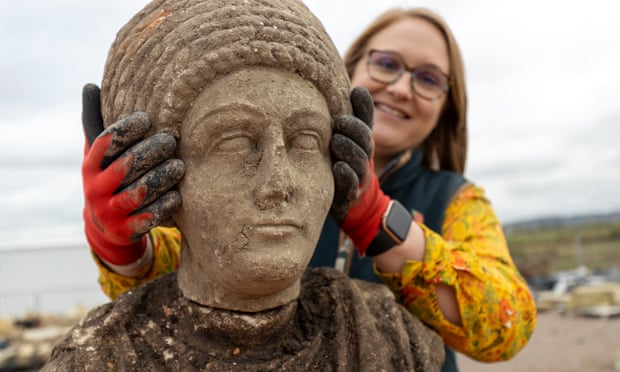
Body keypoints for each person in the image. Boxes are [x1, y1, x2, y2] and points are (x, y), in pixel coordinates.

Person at [80, 4, 537, 371]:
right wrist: (120, 244)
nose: (401, 87)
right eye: (387, 64)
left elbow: (506, 327)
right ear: (353, 66)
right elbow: (168, 277)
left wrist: (379, 222)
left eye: (429, 78)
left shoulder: (456, 199)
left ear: (447, 104)